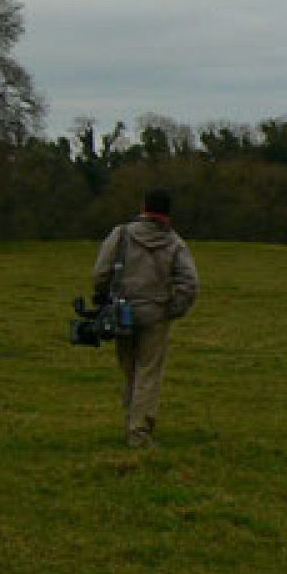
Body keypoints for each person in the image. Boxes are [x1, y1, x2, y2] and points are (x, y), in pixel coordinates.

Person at [92, 188, 199, 449]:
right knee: (148, 373)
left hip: (122, 313)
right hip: (156, 315)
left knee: (130, 370)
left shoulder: (121, 235)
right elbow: (190, 283)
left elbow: (100, 273)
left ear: (144, 208)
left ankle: (132, 422)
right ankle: (139, 431)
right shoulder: (175, 243)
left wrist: (106, 297)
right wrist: (173, 309)